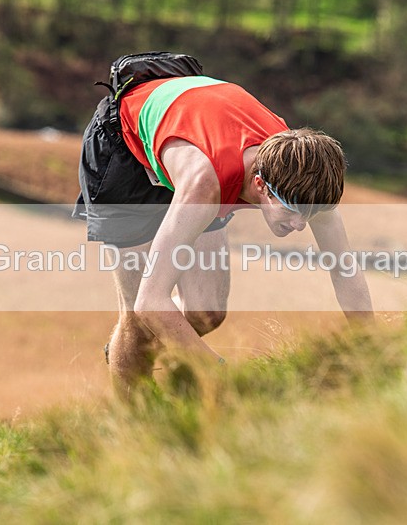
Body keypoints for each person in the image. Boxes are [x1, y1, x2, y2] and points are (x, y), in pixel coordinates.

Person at [77, 74, 373, 394]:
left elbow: (345, 272)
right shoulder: (208, 185)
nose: (300, 225)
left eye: (310, 215)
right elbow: (150, 301)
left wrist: (372, 351)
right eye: (291, 211)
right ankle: (131, 424)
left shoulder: (307, 177)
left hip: (194, 136)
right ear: (260, 185)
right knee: (139, 319)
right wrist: (222, 376)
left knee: (207, 312)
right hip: (125, 141)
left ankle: (156, 368)